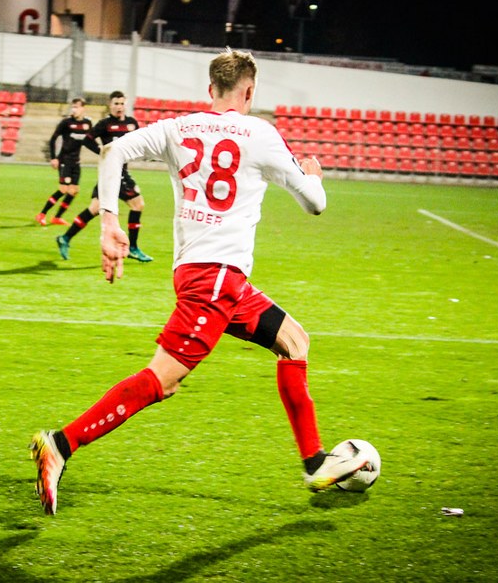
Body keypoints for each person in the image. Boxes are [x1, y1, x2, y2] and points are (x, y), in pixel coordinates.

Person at [30, 49, 368, 516]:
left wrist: (109, 222)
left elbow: (114, 151)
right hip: (216, 279)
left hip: (204, 275)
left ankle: (314, 462)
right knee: (162, 379)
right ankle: (60, 444)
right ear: (250, 92)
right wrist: (314, 177)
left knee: (294, 341)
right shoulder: (261, 133)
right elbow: (315, 204)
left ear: (211, 90)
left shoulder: (179, 128)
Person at [55, 91, 152, 262]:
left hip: (120, 172)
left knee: (95, 208)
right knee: (137, 204)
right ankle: (133, 248)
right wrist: (101, 151)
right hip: (113, 173)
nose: (119, 107)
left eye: (122, 103)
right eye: (116, 103)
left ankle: (65, 237)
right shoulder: (105, 124)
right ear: (110, 105)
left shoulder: (131, 123)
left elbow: (140, 141)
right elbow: (87, 140)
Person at [35, 97, 92, 226]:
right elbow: (53, 139)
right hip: (64, 160)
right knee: (63, 189)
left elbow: (90, 139)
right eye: (73, 107)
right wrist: (53, 157)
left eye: (77, 107)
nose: (74, 109)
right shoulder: (66, 122)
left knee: (74, 190)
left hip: (76, 162)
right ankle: (42, 214)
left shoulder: (87, 123)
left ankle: (57, 217)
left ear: (83, 108)